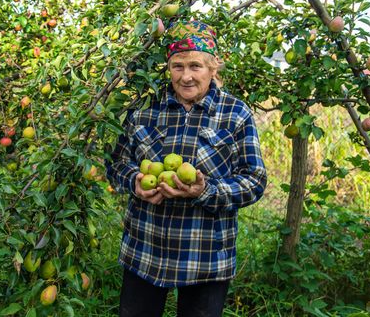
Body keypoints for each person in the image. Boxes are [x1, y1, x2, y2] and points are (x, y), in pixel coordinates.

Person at [106, 20, 267, 317]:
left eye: (196, 66)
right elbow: (116, 163)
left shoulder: (235, 113)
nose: (187, 76)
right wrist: (135, 182)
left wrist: (205, 190)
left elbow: (254, 181)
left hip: (204, 256)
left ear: (213, 68)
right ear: (168, 68)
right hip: (145, 250)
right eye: (178, 66)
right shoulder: (144, 108)